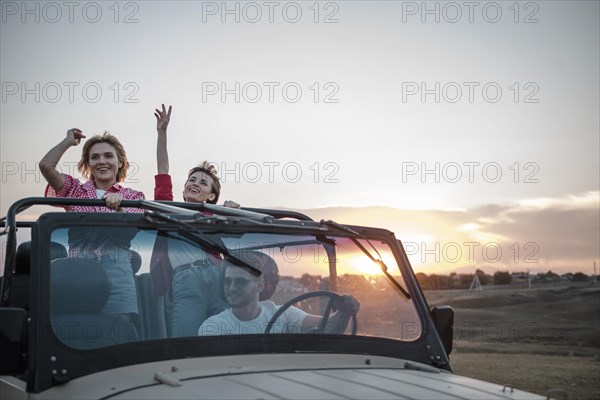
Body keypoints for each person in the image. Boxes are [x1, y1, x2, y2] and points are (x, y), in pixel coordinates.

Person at [150, 104, 236, 337]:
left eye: (203, 182)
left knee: (224, 333)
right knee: (186, 335)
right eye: (191, 179)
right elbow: (163, 171)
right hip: (186, 278)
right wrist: (162, 133)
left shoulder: (216, 217)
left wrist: (231, 211)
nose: (195, 182)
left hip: (219, 277)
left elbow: (236, 237)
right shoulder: (171, 209)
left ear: (212, 196)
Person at [39, 129, 145, 317]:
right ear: (89, 164)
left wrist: (119, 209)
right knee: (78, 331)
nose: (102, 161)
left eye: (108, 156)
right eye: (94, 157)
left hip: (117, 275)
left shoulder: (133, 197)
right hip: (79, 275)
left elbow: (132, 230)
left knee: (122, 331)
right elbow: (46, 166)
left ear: (119, 162)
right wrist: (67, 141)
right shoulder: (74, 191)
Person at [198, 251, 360, 336]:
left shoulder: (283, 314)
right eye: (228, 281)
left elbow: (329, 328)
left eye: (240, 282)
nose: (232, 288)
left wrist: (344, 312)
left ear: (260, 285)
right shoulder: (213, 327)